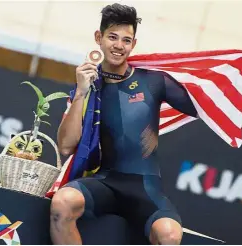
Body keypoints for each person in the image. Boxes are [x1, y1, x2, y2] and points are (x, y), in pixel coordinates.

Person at [50, 3, 198, 245]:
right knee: (62, 204)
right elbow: (66, 146)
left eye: (126, 40)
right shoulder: (88, 87)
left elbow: (202, 105)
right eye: (112, 37)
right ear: (99, 38)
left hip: (145, 188)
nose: (119, 46)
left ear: (134, 44)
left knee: (170, 236)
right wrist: (80, 93)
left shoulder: (154, 82)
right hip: (105, 182)